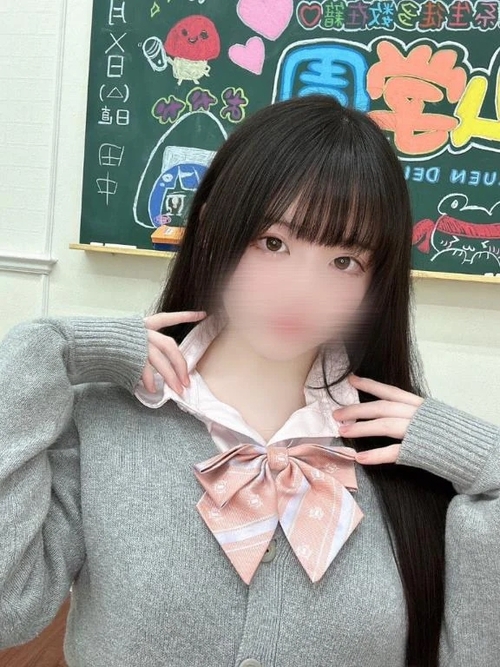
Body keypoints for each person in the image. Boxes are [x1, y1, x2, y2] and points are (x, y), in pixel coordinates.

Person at [0, 95, 498, 667]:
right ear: (213, 226)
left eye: (345, 262)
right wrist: (42, 351)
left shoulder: (407, 454)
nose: (301, 291)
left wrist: (490, 463)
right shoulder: (102, 419)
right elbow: (9, 609)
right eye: (273, 243)